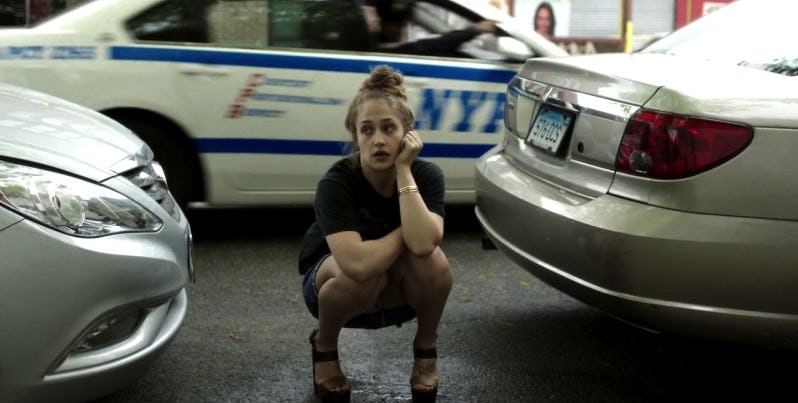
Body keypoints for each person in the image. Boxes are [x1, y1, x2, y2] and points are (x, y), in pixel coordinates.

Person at [298, 65, 453, 402]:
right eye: (367, 130)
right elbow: (357, 265)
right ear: (355, 137)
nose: (379, 140)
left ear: (408, 133)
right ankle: (325, 346)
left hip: (399, 292)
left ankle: (425, 347)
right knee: (365, 275)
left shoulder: (426, 175)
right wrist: (404, 234)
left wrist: (403, 170)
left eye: (389, 128)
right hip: (333, 290)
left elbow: (423, 245)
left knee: (434, 262)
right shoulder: (336, 182)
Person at [365, 0, 498, 57]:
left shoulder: (381, 50)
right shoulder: (385, 54)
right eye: (397, 25)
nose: (374, 19)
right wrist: (474, 30)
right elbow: (434, 44)